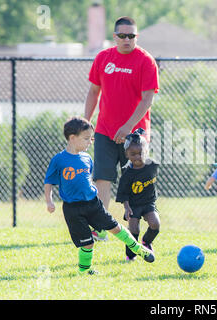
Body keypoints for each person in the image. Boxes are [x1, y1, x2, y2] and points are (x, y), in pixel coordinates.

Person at [44, 116, 155, 275]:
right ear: (72, 138)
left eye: (92, 138)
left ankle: (137, 248)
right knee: (87, 243)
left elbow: (87, 179)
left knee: (115, 227)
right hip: (73, 209)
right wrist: (49, 201)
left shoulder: (87, 158)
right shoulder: (59, 160)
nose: (90, 141)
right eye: (87, 138)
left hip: (93, 204)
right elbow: (48, 182)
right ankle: (84, 271)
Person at [84, 16, 159, 241]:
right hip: (105, 130)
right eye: (123, 36)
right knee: (102, 179)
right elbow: (93, 92)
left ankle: (143, 231)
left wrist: (128, 127)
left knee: (137, 184)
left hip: (135, 136)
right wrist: (86, 123)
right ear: (114, 37)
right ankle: (100, 228)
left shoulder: (146, 61)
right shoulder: (103, 58)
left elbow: (147, 100)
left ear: (137, 36)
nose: (127, 40)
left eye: (132, 36)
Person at [115, 129, 160, 262]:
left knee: (155, 224)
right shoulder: (127, 173)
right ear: (127, 154)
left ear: (146, 151)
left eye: (140, 153)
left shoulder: (153, 166)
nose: (137, 157)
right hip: (133, 205)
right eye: (132, 154)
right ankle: (131, 255)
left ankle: (146, 242)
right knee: (133, 229)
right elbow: (123, 193)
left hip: (148, 203)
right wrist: (127, 208)